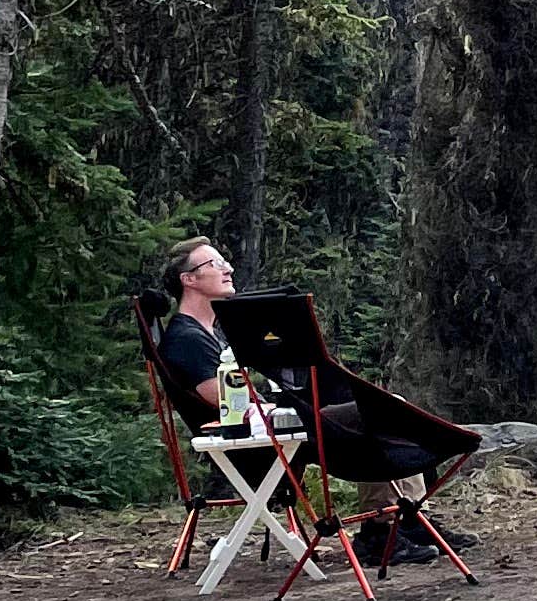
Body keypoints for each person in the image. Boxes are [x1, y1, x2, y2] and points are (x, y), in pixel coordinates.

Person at [149, 238, 459, 571]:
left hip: (270, 429)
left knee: (382, 405)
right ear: (189, 280)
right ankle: (382, 530)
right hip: (257, 443)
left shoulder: (211, 333)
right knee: (379, 410)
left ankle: (408, 520)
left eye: (225, 262)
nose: (228, 268)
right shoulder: (188, 339)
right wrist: (290, 410)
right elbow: (227, 402)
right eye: (214, 264)